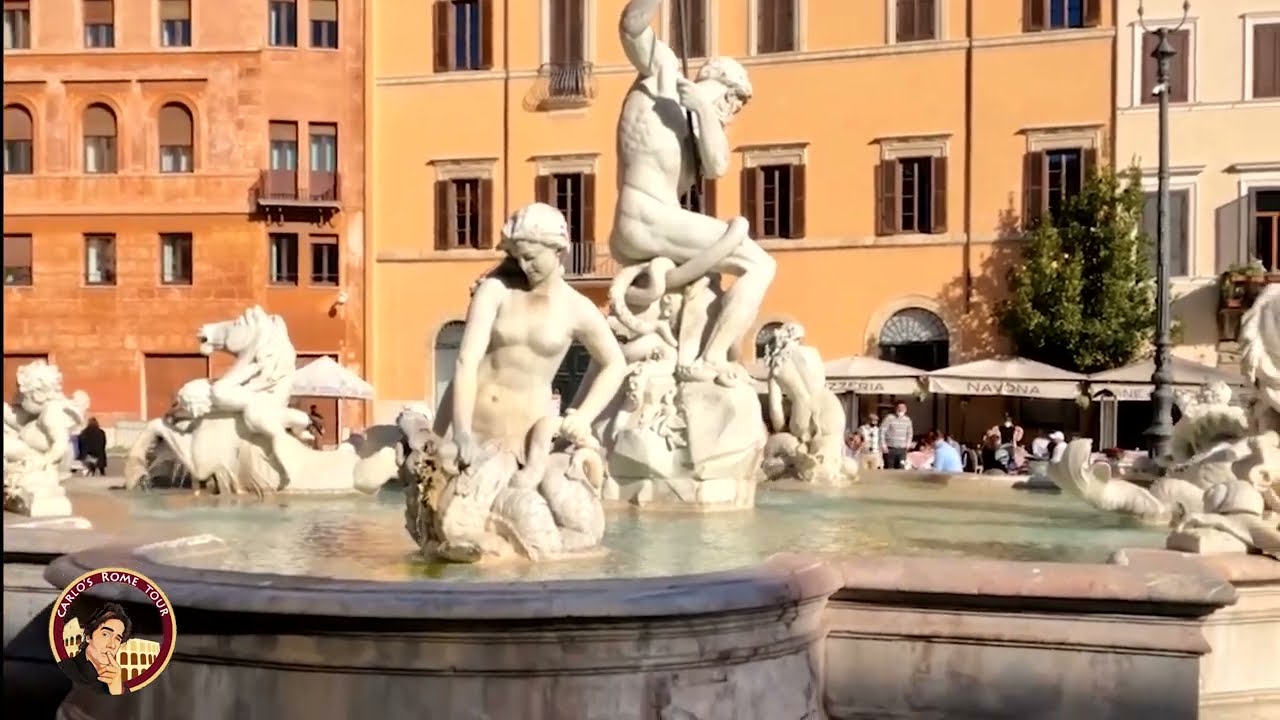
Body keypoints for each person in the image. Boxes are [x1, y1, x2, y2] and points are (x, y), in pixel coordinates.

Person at [611, 0, 769, 380]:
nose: (732, 114)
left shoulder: (697, 127)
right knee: (760, 264)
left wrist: (702, 109)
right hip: (644, 214)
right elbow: (631, 26)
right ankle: (712, 358)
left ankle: (700, 352)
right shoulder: (662, 73)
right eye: (735, 104)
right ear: (728, 94)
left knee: (712, 281)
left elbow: (718, 166)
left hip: (655, 223)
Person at [432, 202, 627, 466]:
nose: (524, 265)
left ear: (558, 250)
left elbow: (615, 364)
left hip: (520, 442)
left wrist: (583, 416)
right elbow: (466, 361)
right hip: (466, 433)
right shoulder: (496, 290)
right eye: (519, 257)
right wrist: (461, 432)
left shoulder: (577, 308)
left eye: (531, 257)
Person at [57, 603, 131, 696]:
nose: (112, 645)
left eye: (117, 639)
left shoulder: (120, 686)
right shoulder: (64, 670)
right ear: (88, 637)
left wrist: (117, 690)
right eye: (105, 634)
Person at [881, 402, 914, 470]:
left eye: (903, 408)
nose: (901, 409)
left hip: (902, 450)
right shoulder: (889, 418)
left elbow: (910, 433)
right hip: (890, 449)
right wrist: (883, 445)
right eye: (899, 407)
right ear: (895, 408)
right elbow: (882, 431)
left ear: (906, 409)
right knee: (889, 470)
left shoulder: (907, 420)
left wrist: (908, 443)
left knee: (901, 468)